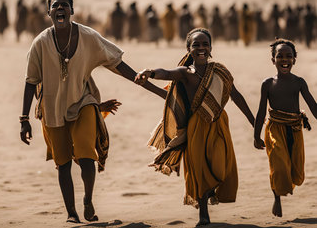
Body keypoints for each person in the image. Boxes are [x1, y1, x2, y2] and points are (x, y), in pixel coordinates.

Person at [20, 0, 166, 224]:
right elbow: (30, 82)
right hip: (52, 109)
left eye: (65, 5)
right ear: (49, 13)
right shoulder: (40, 43)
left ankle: (87, 199)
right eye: (55, 5)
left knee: (87, 155)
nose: (60, 8)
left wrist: (159, 92)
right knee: (63, 163)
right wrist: (23, 119)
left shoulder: (88, 37)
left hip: (84, 103)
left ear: (72, 11)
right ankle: (71, 213)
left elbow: (118, 65)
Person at [135, 28, 254, 226]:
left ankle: (210, 193)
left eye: (205, 44)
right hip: (196, 127)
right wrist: (150, 72)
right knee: (198, 169)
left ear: (211, 48)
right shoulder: (185, 73)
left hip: (218, 123)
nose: (201, 48)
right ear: (188, 49)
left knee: (220, 166)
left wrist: (254, 122)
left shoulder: (220, 71)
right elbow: (167, 73)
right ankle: (203, 215)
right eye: (196, 45)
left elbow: (236, 96)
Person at [253, 38, 317, 217]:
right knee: (278, 164)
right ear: (273, 60)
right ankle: (277, 198)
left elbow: (312, 105)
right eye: (279, 56)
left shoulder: (299, 82)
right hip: (274, 129)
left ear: (295, 59)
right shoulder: (267, 84)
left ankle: (283, 188)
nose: (284, 59)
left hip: (295, 129)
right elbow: (260, 112)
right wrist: (256, 136)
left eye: (289, 56)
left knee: (297, 173)